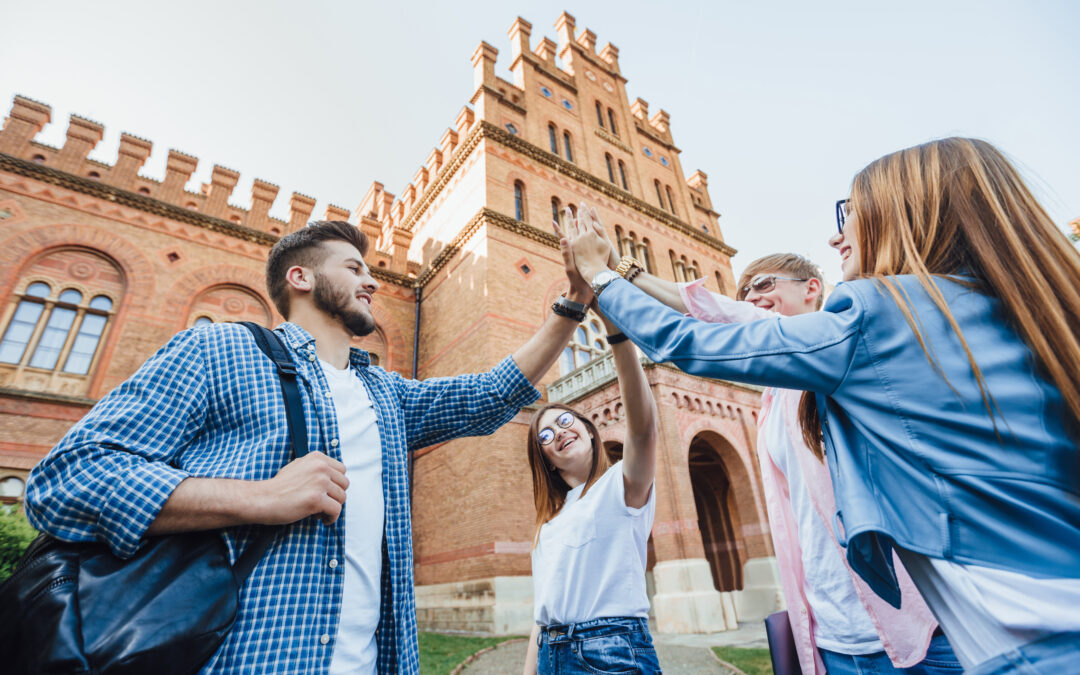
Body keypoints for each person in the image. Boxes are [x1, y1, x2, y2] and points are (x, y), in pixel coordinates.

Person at [568, 138, 1080, 674]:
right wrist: (628, 272)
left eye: (850, 213)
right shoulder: (1017, 308)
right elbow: (739, 317)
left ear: (905, 214)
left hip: (1006, 648)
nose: (838, 233)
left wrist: (600, 277)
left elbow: (694, 342)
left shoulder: (877, 311)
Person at [24, 220, 594, 674]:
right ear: (300, 278)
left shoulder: (387, 395)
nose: (371, 281)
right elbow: (67, 478)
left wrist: (573, 300)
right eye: (354, 268)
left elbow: (490, 395)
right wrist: (260, 498)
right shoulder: (220, 349)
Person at [575, 221, 961, 673]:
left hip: (911, 630)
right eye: (744, 291)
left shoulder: (842, 337)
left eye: (763, 284)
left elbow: (720, 321)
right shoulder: (773, 397)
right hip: (832, 635)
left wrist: (612, 272)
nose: (751, 297)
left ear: (813, 288)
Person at [520, 208, 660, 675]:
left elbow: (641, 428)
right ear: (546, 461)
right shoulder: (548, 523)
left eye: (566, 422)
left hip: (612, 650)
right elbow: (542, 614)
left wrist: (614, 327)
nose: (558, 432)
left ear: (590, 430)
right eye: (545, 436)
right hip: (552, 654)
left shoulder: (623, 487)